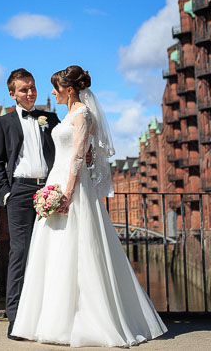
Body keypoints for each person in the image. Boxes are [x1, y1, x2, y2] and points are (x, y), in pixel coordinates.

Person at [11, 65, 167, 347]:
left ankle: (83, 320)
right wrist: (56, 187)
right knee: (53, 251)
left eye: (55, 88)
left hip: (71, 187)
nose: (52, 93)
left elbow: (80, 159)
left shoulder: (82, 114)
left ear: (69, 90)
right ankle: (48, 319)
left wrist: (68, 192)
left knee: (79, 249)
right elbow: (85, 152)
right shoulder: (69, 114)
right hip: (56, 181)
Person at [0, 68, 60, 339]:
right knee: (19, 253)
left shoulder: (50, 118)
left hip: (49, 190)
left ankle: (47, 316)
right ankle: (16, 319)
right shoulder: (3, 123)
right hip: (19, 192)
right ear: (12, 94)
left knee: (51, 252)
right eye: (23, 89)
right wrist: (6, 193)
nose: (30, 93)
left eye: (32, 87)